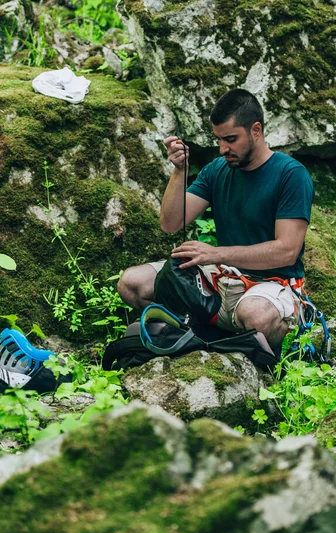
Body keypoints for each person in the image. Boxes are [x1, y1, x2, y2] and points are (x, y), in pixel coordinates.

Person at [117, 89, 314, 350]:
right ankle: (206, 337)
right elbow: (170, 223)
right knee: (132, 284)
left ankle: (211, 335)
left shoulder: (291, 175)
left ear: (256, 130)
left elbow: (287, 252)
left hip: (272, 284)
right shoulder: (217, 169)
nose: (223, 149)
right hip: (222, 278)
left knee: (256, 316)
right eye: (219, 139)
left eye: (231, 139)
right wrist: (179, 171)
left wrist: (216, 254)